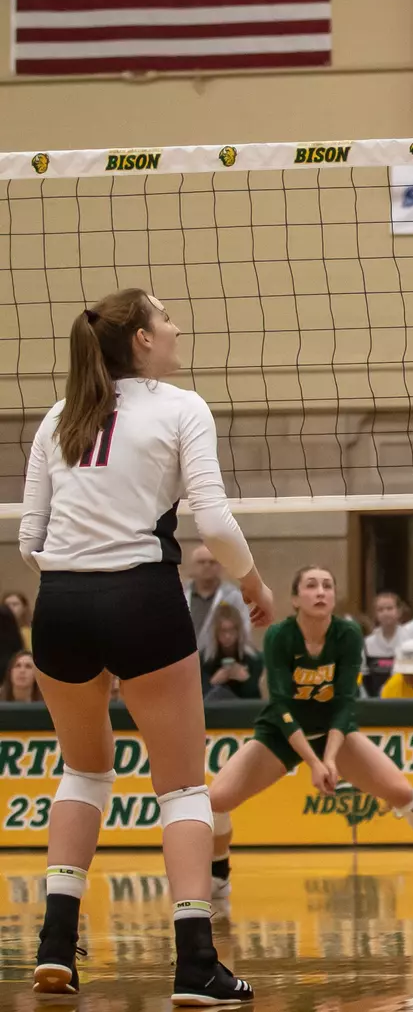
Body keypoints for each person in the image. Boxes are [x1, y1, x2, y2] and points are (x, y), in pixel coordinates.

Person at [19, 288, 276, 1000]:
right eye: (165, 317)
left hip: (62, 603)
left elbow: (28, 540)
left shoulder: (57, 418)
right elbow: (215, 523)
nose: (176, 326)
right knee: (183, 786)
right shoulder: (180, 405)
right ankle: (195, 964)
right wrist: (252, 584)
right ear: (139, 339)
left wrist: (82, 576)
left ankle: (56, 948)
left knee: (83, 772)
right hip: (140, 595)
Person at [208, 566, 413, 900]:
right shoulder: (278, 636)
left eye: (327, 586)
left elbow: (345, 702)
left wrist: (329, 758)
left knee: (401, 792)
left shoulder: (348, 634)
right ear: (296, 599)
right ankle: (219, 872)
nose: (320, 592)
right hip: (281, 731)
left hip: (334, 730)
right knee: (215, 800)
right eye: (311, 586)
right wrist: (314, 763)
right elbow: (281, 704)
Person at [183, 543, 251, 658]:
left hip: (219, 662)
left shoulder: (234, 597)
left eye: (212, 562)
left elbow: (244, 630)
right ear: (193, 567)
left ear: (221, 566)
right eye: (201, 562)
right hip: (184, 662)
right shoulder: (179, 594)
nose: (207, 566)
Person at [201, 603, 263, 702]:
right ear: (216, 632)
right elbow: (199, 700)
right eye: (223, 631)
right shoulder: (205, 659)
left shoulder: (252, 658)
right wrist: (213, 682)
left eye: (232, 630)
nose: (228, 636)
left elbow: (257, 701)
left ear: (239, 631)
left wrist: (246, 680)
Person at [363, 590, 410, 696]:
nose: (385, 613)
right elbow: (363, 677)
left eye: (389, 608)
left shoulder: (409, 640)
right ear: (375, 614)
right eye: (380, 610)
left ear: (399, 611)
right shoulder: (367, 644)